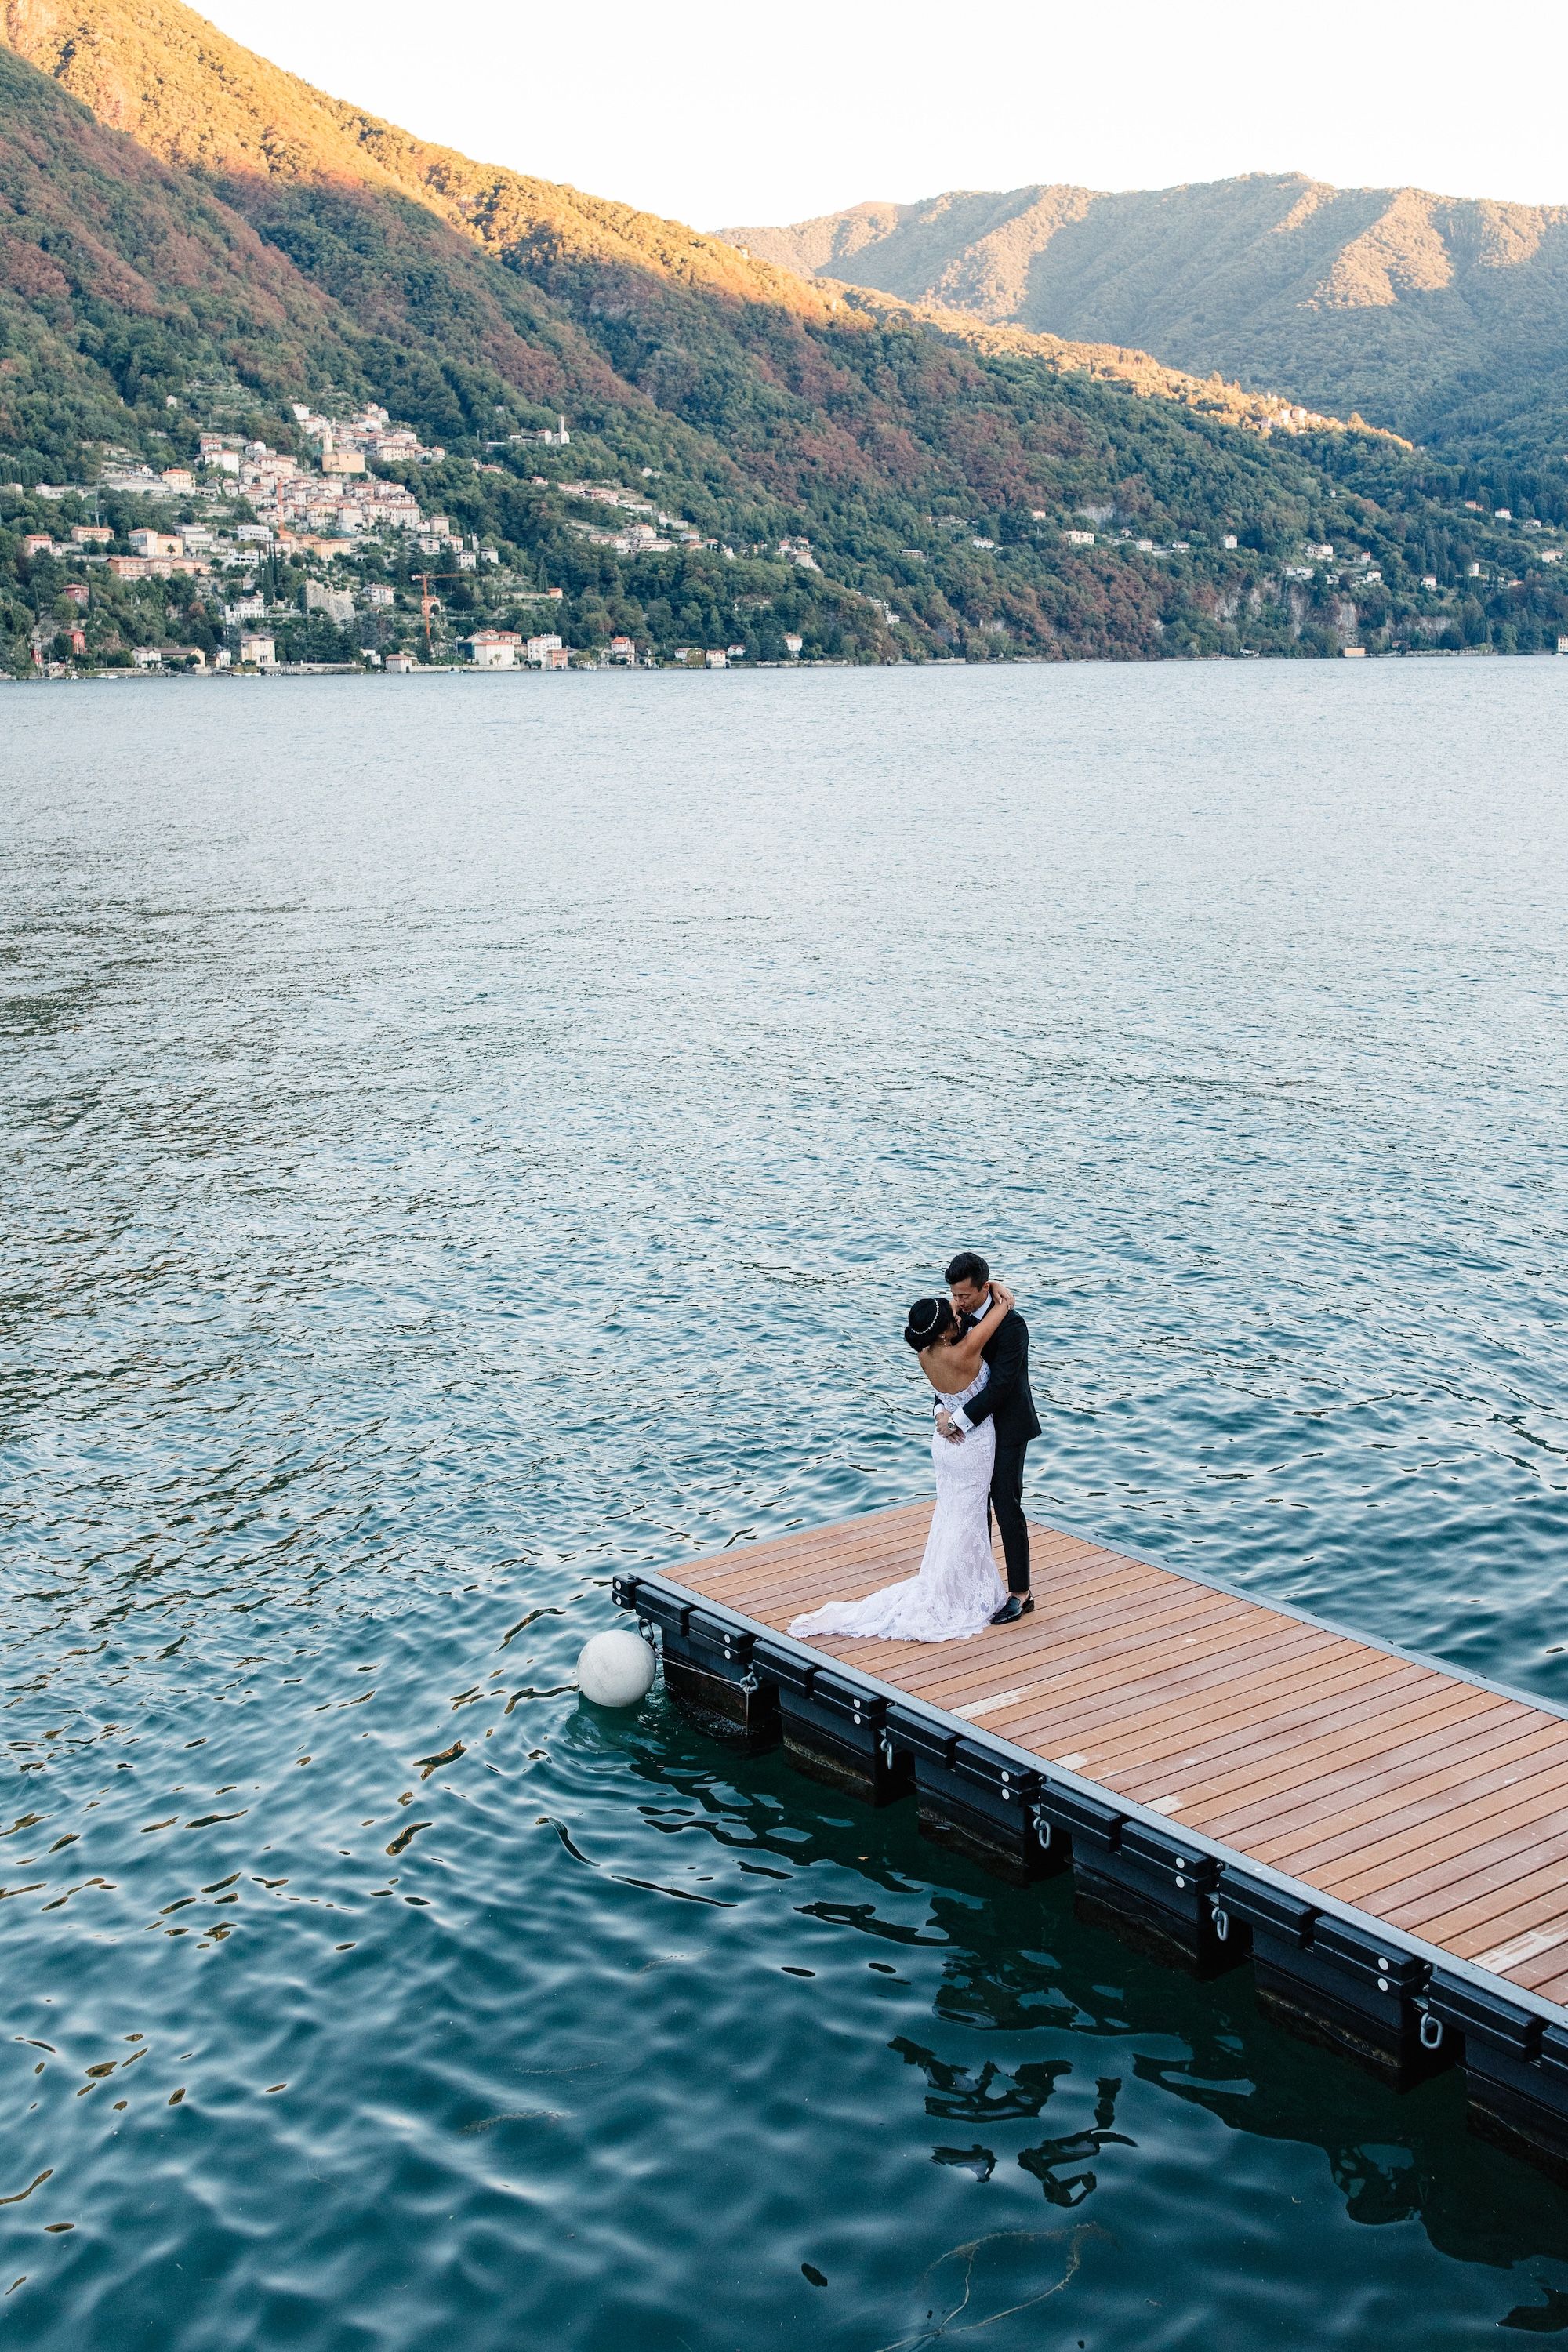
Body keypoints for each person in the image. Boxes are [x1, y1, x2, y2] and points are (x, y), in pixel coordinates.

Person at [787, 1285, 1014, 1644]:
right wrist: (992, 1290)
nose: (960, 1314)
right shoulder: (966, 1351)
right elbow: (1002, 1308)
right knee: (966, 1518)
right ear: (943, 1331)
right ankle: (958, 1593)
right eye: (954, 1315)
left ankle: (964, 1586)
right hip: (972, 1445)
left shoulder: (926, 1355)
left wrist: (942, 1412)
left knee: (953, 1516)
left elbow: (943, 1395)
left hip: (945, 1444)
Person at [938, 1251, 1041, 1624]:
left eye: (965, 1296)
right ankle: (978, 1582)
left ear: (985, 1288)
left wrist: (958, 1421)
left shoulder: (1012, 1326)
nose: (959, 1303)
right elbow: (942, 1368)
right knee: (972, 1506)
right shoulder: (954, 1320)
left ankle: (1021, 1592)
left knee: (1006, 1504)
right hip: (970, 1430)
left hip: (1008, 1427)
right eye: (955, 1295)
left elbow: (1001, 1386)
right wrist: (940, 1411)